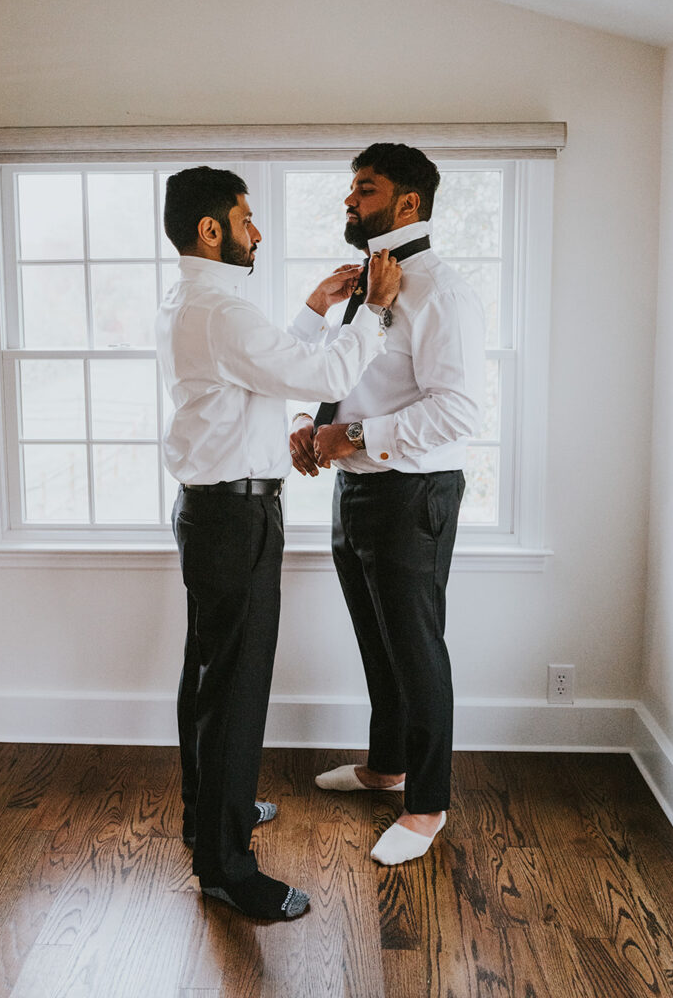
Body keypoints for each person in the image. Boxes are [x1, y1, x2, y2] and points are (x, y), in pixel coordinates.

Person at [156, 165, 401, 920]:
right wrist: (370, 311)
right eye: (244, 218)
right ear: (210, 230)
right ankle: (227, 869)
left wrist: (312, 307)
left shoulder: (196, 302)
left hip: (210, 514)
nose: (255, 232)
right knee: (235, 690)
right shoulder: (221, 311)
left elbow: (265, 372)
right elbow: (319, 374)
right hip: (235, 521)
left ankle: (210, 817)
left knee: (209, 678)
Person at [289, 143, 485, 866]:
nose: (348, 200)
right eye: (351, 189)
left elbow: (457, 411)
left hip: (412, 494)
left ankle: (427, 805)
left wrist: (352, 436)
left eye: (364, 189)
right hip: (356, 488)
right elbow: (347, 377)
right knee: (377, 640)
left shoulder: (441, 293)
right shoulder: (365, 286)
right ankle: (386, 767)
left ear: (407, 203)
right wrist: (312, 427)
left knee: (416, 649)